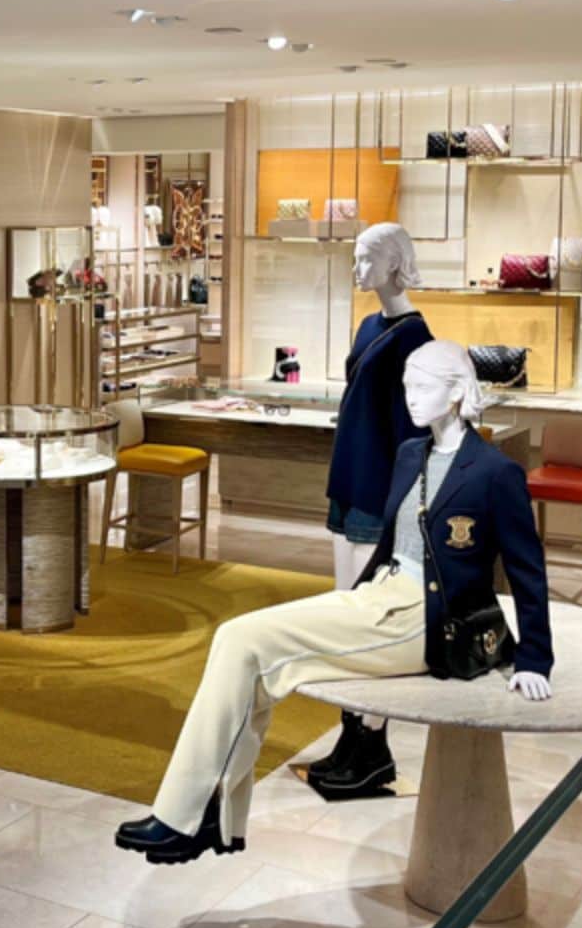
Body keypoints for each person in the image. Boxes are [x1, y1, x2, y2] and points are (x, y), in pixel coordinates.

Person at [116, 341, 553, 865]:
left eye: (423, 386)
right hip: (381, 596)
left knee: (248, 647)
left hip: (426, 619)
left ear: (458, 391)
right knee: (238, 640)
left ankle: (190, 818)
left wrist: (534, 658)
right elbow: (390, 545)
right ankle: (203, 817)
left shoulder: (493, 472)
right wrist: (355, 596)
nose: (411, 397)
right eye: (407, 386)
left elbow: (528, 570)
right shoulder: (409, 454)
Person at [314, 223, 434, 799]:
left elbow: (415, 431)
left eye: (366, 259)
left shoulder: (416, 339)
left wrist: (406, 506)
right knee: (346, 616)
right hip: (349, 479)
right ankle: (351, 735)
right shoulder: (369, 326)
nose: (356, 269)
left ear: (393, 264)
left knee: (371, 620)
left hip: (380, 489)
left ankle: (372, 743)